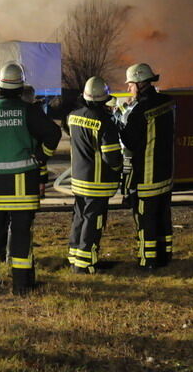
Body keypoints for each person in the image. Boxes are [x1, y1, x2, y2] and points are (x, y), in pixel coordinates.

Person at [0, 62, 61, 295]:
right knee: (20, 233)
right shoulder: (28, 110)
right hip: (24, 184)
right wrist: (39, 158)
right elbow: (53, 133)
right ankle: (21, 284)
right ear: (20, 87)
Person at [119, 63, 175, 270]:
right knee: (163, 215)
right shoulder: (167, 102)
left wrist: (119, 122)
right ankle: (165, 255)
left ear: (141, 83)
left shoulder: (140, 112)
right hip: (166, 174)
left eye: (131, 84)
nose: (128, 89)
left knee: (146, 219)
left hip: (146, 176)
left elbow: (130, 142)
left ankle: (147, 260)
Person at [66, 76, 123, 274]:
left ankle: (74, 256)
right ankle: (86, 263)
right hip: (98, 182)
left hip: (78, 180)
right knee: (94, 220)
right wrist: (118, 170)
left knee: (79, 217)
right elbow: (112, 157)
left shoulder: (73, 116)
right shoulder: (104, 122)